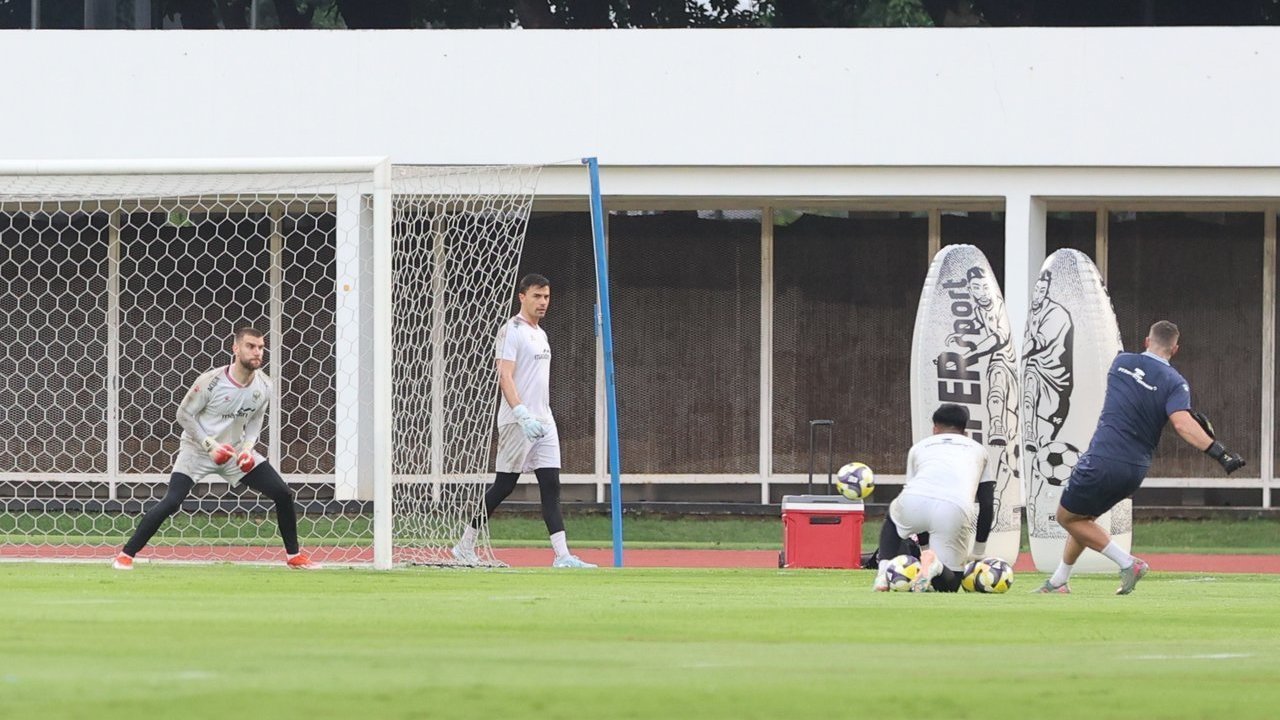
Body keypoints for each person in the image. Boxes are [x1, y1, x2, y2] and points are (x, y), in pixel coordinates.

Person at [1035, 320, 1245, 595]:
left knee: (1067, 518)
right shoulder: (1176, 383)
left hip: (1103, 459)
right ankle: (1059, 581)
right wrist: (1221, 454)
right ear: (1176, 349)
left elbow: (1176, 418)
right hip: (1135, 469)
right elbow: (1182, 423)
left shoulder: (1120, 363)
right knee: (1084, 519)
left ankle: (1128, 563)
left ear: (1147, 341)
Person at [113, 327, 316, 570]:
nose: (257, 352)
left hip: (234, 452)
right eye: (251, 346)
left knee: (282, 493)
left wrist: (248, 449)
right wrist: (209, 445)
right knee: (172, 501)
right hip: (197, 449)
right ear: (236, 348)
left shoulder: (265, 385)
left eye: (261, 347)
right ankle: (126, 555)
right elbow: (183, 414)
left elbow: (254, 421)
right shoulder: (210, 382)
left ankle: (294, 556)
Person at [452, 274, 595, 568]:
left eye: (546, 297)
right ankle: (464, 545)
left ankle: (563, 556)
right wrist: (520, 412)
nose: (543, 302)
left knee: (551, 484)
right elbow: (504, 375)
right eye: (536, 296)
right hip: (518, 421)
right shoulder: (511, 331)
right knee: (504, 485)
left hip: (544, 421)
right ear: (522, 297)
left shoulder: (541, 334)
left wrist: (538, 416)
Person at [872, 403, 994, 592]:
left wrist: (925, 546)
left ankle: (883, 573)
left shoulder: (919, 447)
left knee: (893, 517)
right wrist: (978, 551)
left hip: (914, 501)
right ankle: (935, 565)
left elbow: (917, 492)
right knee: (949, 585)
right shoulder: (979, 450)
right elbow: (986, 504)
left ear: (935, 428)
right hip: (955, 508)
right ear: (965, 430)